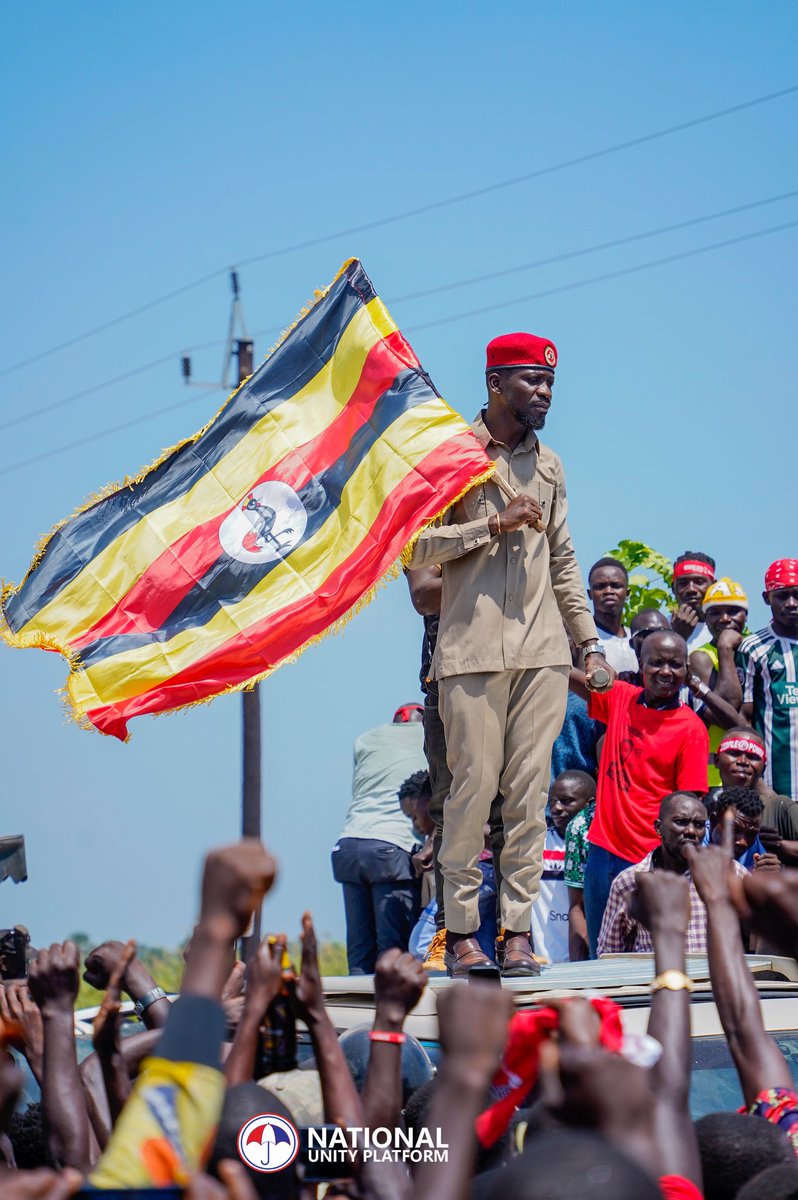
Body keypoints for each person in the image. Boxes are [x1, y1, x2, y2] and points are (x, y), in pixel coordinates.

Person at [408, 331, 612, 977]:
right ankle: (461, 932)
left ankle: (517, 933)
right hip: (468, 652)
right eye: (532, 381)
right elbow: (415, 548)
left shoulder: (550, 466)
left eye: (550, 382)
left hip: (542, 652)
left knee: (527, 796)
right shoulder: (451, 455)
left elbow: (564, 560)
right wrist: (491, 524)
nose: (545, 392)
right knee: (470, 795)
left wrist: (588, 642)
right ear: (496, 383)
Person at [580, 629, 709, 955]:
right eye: (657, 663)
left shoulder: (691, 729)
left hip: (648, 859)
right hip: (603, 851)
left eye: (675, 664)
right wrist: (591, 655)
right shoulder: (621, 697)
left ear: (686, 670)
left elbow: (689, 805)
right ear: (641, 664)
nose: (666, 671)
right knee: (601, 954)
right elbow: (566, 676)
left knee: (650, 956)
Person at [406, 565, 504, 971]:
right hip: (447, 684)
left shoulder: (525, 532)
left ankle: (513, 936)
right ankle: (449, 937)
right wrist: (495, 572)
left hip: (510, 680)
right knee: (452, 813)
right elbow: (424, 594)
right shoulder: (427, 530)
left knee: (510, 812)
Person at [331, 705, 426, 973]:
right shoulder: (430, 735)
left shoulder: (365, 739)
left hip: (348, 845)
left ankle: (357, 1000)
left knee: (359, 954)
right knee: (393, 953)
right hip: (392, 847)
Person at [597, 792, 745, 955]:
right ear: (659, 828)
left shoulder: (731, 873)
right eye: (680, 822)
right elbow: (609, 953)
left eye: (699, 825)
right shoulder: (629, 882)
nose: (691, 831)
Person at [738, 559, 798, 800]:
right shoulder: (753, 648)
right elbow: (745, 717)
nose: (791, 603)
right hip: (774, 783)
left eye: (797, 595)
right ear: (767, 598)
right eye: (782, 596)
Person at [531, 771, 596, 963]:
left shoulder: (596, 846)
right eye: (552, 802)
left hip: (585, 958)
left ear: (589, 804)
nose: (556, 808)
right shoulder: (537, 845)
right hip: (544, 961)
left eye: (566, 801)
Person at [688, 577, 747, 786]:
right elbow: (727, 714)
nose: (725, 618)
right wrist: (724, 648)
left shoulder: (756, 652)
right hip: (715, 777)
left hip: (754, 772)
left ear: (746, 615)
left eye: (733, 611)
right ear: (706, 617)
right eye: (715, 612)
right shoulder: (700, 657)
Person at [586, 557, 639, 675]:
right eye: (600, 586)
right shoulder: (583, 639)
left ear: (627, 593)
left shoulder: (637, 639)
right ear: (590, 594)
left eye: (616, 586)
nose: (608, 591)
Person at [670, 550, 716, 651]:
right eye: (683, 583)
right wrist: (678, 636)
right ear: (673, 588)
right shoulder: (659, 628)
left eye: (699, 582)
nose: (691, 589)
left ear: (713, 586)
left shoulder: (722, 629)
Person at [616, 608, 671, 685]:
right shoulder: (623, 685)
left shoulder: (681, 683)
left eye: (663, 633)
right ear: (632, 643)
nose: (657, 640)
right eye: (647, 634)